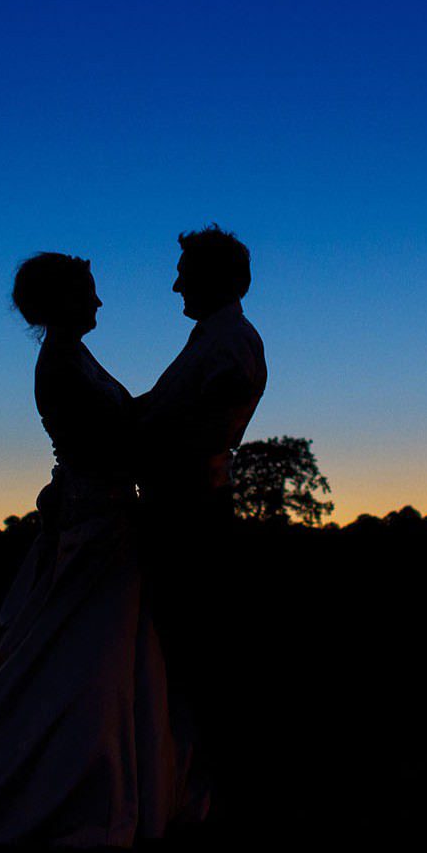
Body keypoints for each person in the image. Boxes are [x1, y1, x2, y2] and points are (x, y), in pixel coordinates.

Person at [0, 252, 207, 849]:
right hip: (98, 525)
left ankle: (118, 777)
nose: (100, 303)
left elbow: (122, 421)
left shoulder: (73, 356)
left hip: (104, 520)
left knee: (101, 653)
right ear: (65, 301)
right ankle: (76, 784)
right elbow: (117, 444)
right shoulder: (61, 366)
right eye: (91, 293)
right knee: (83, 659)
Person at [134, 225, 268, 781]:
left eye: (184, 276)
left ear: (218, 280)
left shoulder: (230, 346)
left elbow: (196, 431)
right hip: (179, 510)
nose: (174, 287)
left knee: (192, 652)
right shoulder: (211, 339)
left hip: (191, 517)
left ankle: (200, 774)